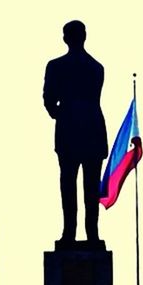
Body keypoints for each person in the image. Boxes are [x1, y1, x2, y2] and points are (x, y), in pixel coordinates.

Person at [43, 20, 108, 245]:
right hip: (92, 127)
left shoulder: (56, 66)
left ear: (65, 38)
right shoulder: (96, 67)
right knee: (90, 186)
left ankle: (69, 232)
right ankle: (92, 234)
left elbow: (49, 101)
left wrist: (60, 113)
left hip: (69, 128)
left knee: (68, 183)